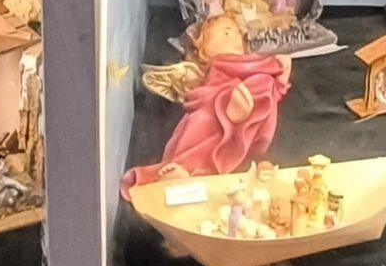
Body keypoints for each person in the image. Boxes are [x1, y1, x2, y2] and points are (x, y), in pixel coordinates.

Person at [121, 13, 291, 193]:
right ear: (205, 48)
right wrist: (275, 66)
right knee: (200, 121)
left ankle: (236, 122)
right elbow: (205, 94)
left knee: (261, 82)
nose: (236, 39)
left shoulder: (256, 69)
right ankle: (186, 169)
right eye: (227, 33)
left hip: (248, 109)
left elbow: (268, 88)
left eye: (238, 35)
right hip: (216, 103)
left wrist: (279, 81)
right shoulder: (219, 65)